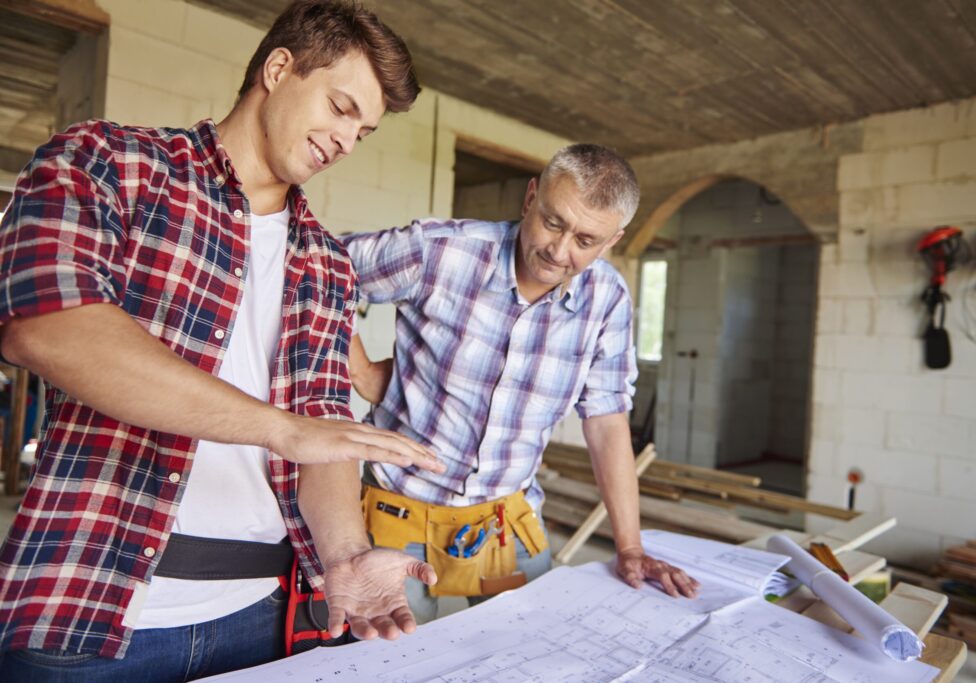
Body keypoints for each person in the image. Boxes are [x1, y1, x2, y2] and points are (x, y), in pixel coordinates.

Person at [0, 1, 444, 680]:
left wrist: (348, 551)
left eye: (366, 131)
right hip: (91, 606)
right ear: (278, 68)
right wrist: (278, 429)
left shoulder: (327, 262)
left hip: (258, 617)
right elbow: (49, 327)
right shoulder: (111, 164)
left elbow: (324, 430)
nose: (348, 141)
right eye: (341, 107)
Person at [343, 144, 699, 624]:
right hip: (396, 509)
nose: (559, 251)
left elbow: (607, 420)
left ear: (613, 239)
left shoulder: (608, 300)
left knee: (534, 656)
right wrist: (361, 371)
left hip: (505, 523)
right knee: (390, 662)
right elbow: (319, 268)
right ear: (531, 197)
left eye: (585, 240)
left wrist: (629, 546)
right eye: (553, 222)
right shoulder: (440, 251)